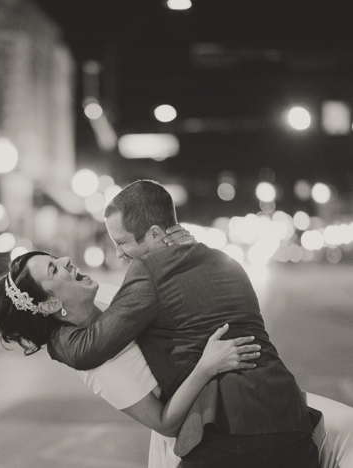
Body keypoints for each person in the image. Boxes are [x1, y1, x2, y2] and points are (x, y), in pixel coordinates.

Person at [0, 250, 353, 467]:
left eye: (55, 258)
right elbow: (164, 423)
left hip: (238, 396)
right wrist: (207, 364)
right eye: (53, 269)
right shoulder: (99, 366)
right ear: (51, 304)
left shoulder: (104, 302)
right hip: (200, 432)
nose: (65, 260)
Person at [44, 179, 319, 467]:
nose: (119, 253)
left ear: (153, 234)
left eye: (122, 242)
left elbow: (90, 348)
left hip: (232, 434)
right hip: (293, 422)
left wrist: (46, 331)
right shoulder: (227, 261)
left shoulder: (149, 269)